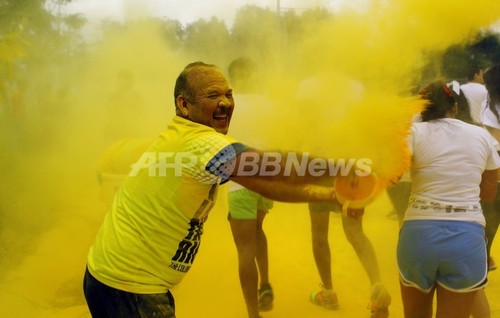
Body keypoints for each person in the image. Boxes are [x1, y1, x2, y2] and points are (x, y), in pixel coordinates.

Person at [83, 61, 367, 318]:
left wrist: (330, 195)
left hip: (113, 278)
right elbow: (271, 166)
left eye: (228, 94)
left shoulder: (183, 134)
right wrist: (338, 168)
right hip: (130, 287)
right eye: (212, 96)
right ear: (184, 105)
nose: (225, 103)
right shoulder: (201, 143)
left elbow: (264, 182)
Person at [397, 81, 500, 318]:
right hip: (466, 238)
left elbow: (391, 174)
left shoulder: (412, 133)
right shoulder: (481, 135)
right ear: (454, 107)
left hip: (418, 236)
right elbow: (488, 193)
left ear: (421, 111)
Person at [226, 57, 275, 318]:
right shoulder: (269, 104)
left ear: (232, 77)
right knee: (258, 230)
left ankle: (253, 314)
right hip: (267, 178)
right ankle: (265, 284)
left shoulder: (226, 106)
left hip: (240, 180)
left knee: (244, 246)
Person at [308, 197, 392, 318]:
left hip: (321, 181)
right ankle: (377, 287)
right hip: (351, 182)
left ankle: (328, 294)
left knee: (319, 235)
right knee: (355, 232)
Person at [480, 63, 500, 272]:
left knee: (492, 213)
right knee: (492, 213)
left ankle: (484, 255)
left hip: (492, 163)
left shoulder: (488, 105)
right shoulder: (489, 105)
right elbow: (496, 138)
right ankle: (483, 255)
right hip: (494, 164)